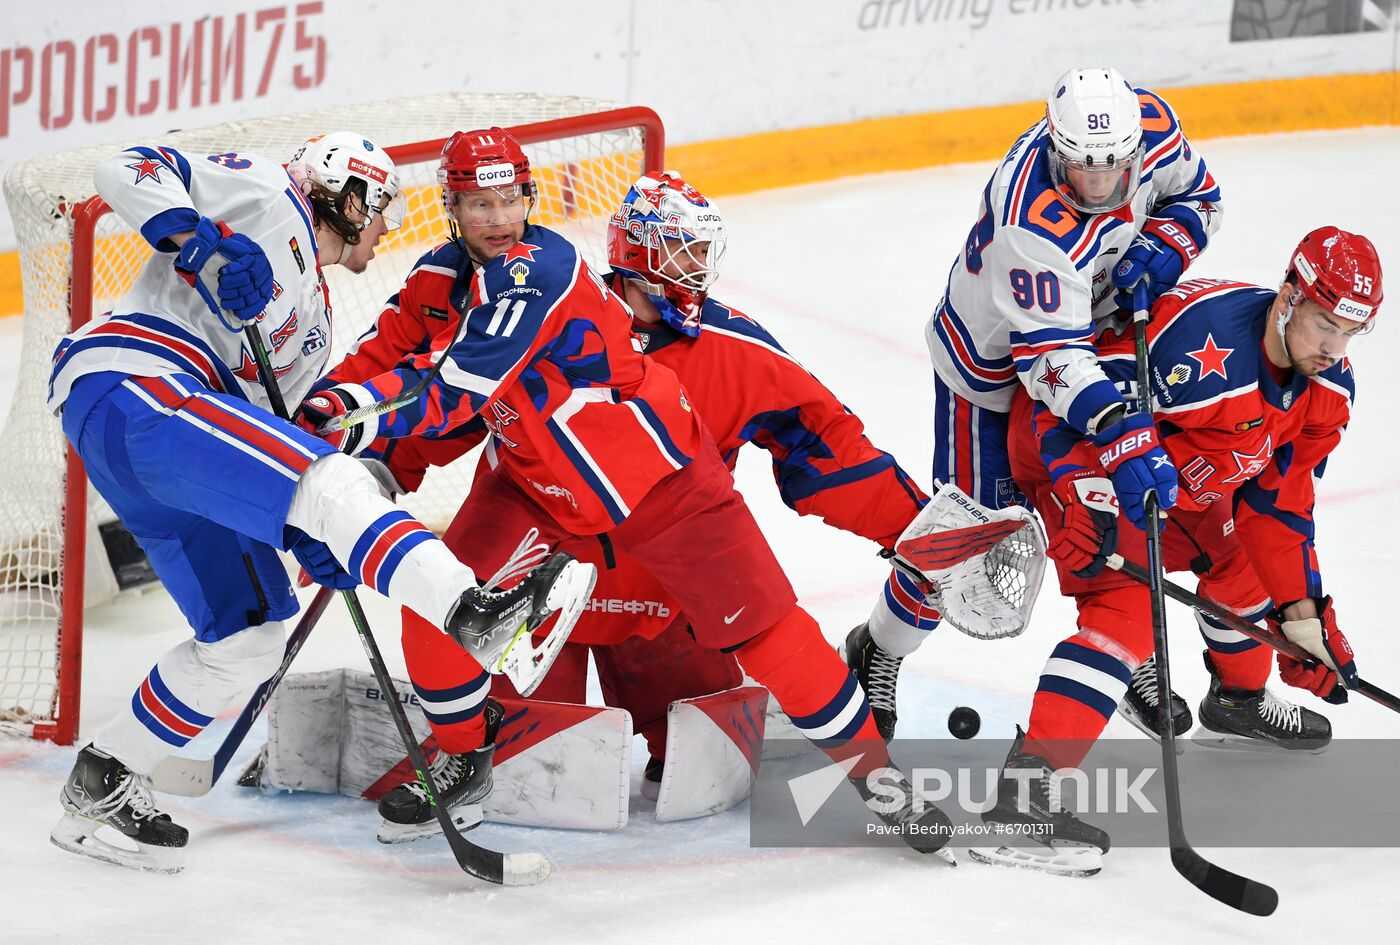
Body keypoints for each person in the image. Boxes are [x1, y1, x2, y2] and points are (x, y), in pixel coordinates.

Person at [294, 129, 971, 855]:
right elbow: (385, 352)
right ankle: (465, 757)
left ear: (529, 198)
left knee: (775, 636)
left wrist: (914, 525)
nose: (495, 218)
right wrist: (319, 432)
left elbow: (455, 388)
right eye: (477, 203)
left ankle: (879, 780)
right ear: (452, 207)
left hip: (668, 488)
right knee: (438, 606)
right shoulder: (440, 280)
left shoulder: (541, 273)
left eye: (508, 199)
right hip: (532, 492)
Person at [45, 133, 591, 873]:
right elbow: (129, 166)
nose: (388, 226)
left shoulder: (312, 331)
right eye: (382, 207)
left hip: (158, 446)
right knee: (334, 476)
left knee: (251, 633)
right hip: (137, 381)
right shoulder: (269, 194)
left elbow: (266, 446)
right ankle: (476, 614)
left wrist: (311, 535)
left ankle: (104, 777)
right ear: (351, 194)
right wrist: (199, 244)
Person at [972, 227, 1382, 876]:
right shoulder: (1199, 346)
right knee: (1125, 614)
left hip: (1185, 477)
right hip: (1086, 457)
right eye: (1325, 323)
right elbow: (1067, 395)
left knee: (1249, 562)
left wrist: (1305, 626)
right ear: (1289, 297)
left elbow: (1277, 509)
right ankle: (1023, 796)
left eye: (1351, 332)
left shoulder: (1327, 390)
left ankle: (1237, 699)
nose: (1335, 348)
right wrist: (1083, 494)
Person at [851, 65, 1223, 740]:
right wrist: (1116, 426)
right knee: (968, 541)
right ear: (1057, 148)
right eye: (1083, 170)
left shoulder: (1155, 126)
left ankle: (1121, 650)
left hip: (1097, 346)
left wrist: (1165, 248)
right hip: (993, 376)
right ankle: (878, 647)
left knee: (1113, 515)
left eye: (1115, 169)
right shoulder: (1033, 223)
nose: (1101, 186)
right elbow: (1050, 361)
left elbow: (1203, 197)